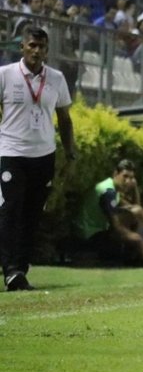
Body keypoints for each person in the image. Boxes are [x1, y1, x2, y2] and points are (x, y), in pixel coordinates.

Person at [0, 26, 75, 291]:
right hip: (11, 153)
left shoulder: (56, 78)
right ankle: (9, 269)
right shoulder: (5, 75)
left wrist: (70, 151)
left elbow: (64, 119)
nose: (36, 50)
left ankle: (19, 270)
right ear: (22, 47)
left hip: (44, 155)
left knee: (31, 214)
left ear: (47, 50)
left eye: (41, 46)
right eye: (32, 45)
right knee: (10, 209)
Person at [76, 159, 143, 267]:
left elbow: (137, 210)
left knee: (138, 213)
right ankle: (141, 258)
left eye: (131, 178)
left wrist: (135, 188)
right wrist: (138, 240)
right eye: (125, 176)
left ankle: (136, 256)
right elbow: (116, 227)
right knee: (131, 235)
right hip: (89, 235)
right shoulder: (108, 192)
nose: (128, 181)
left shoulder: (114, 189)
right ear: (115, 174)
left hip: (100, 231)